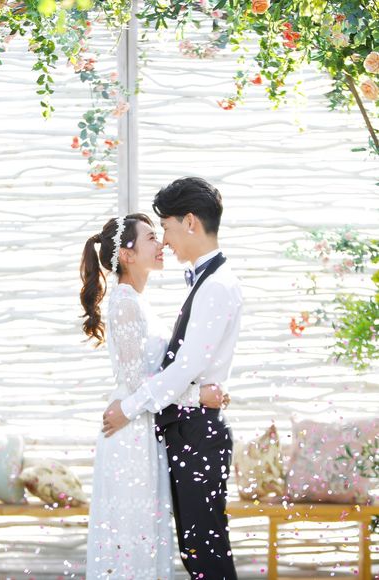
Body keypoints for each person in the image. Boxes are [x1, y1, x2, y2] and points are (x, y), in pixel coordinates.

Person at [102, 177, 242, 580]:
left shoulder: (216, 286)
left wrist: (128, 408)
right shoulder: (207, 281)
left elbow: (184, 367)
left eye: (165, 227)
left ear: (190, 222)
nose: (165, 239)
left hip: (197, 433)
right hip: (187, 428)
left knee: (205, 552)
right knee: (196, 549)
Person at [80, 213, 175, 579]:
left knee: (143, 529)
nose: (161, 243)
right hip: (131, 427)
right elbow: (137, 381)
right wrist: (194, 392)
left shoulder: (136, 300)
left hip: (140, 421)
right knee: (132, 528)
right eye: (151, 238)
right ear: (127, 254)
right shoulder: (125, 302)